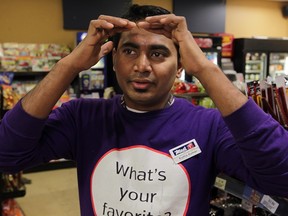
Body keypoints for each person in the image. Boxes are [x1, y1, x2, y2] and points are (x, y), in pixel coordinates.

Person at [0, 4, 288, 215]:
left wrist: (203, 67)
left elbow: (281, 177)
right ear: (114, 60)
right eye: (129, 51)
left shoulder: (209, 126)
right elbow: (7, 154)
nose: (141, 65)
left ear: (179, 67)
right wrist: (67, 66)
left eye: (158, 53)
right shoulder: (83, 117)